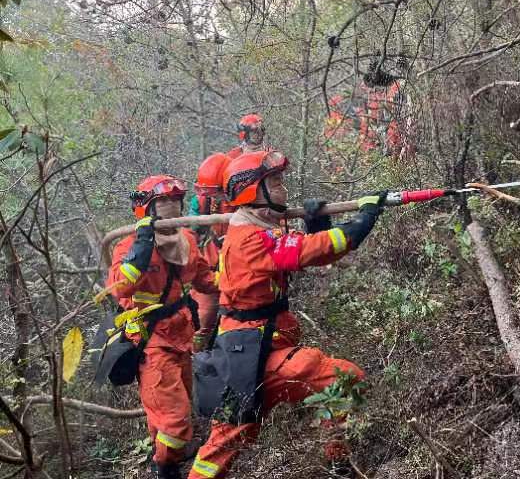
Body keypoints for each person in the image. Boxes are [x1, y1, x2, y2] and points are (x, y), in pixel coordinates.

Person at [189, 151, 385, 479]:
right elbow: (310, 250)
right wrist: (361, 222)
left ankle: (339, 463)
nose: (284, 189)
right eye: (275, 183)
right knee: (231, 437)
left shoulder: (260, 227)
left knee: (231, 438)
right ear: (252, 191)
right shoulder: (249, 240)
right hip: (248, 353)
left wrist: (316, 223)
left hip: (264, 345)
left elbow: (303, 252)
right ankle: (339, 465)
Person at [107, 175, 218, 479]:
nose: (172, 207)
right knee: (176, 420)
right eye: (163, 202)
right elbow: (120, 288)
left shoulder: (188, 241)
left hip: (182, 339)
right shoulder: (128, 247)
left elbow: (206, 281)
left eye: (175, 200)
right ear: (147, 209)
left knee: (168, 417)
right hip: (151, 344)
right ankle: (167, 469)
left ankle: (164, 457)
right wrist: (143, 245)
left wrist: (242, 272)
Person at [189, 152, 231, 352]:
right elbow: (190, 231)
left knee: (235, 326)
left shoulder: (248, 197)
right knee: (200, 322)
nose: (213, 197)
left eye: (216, 192)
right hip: (212, 271)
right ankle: (194, 359)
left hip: (240, 272)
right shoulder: (202, 201)